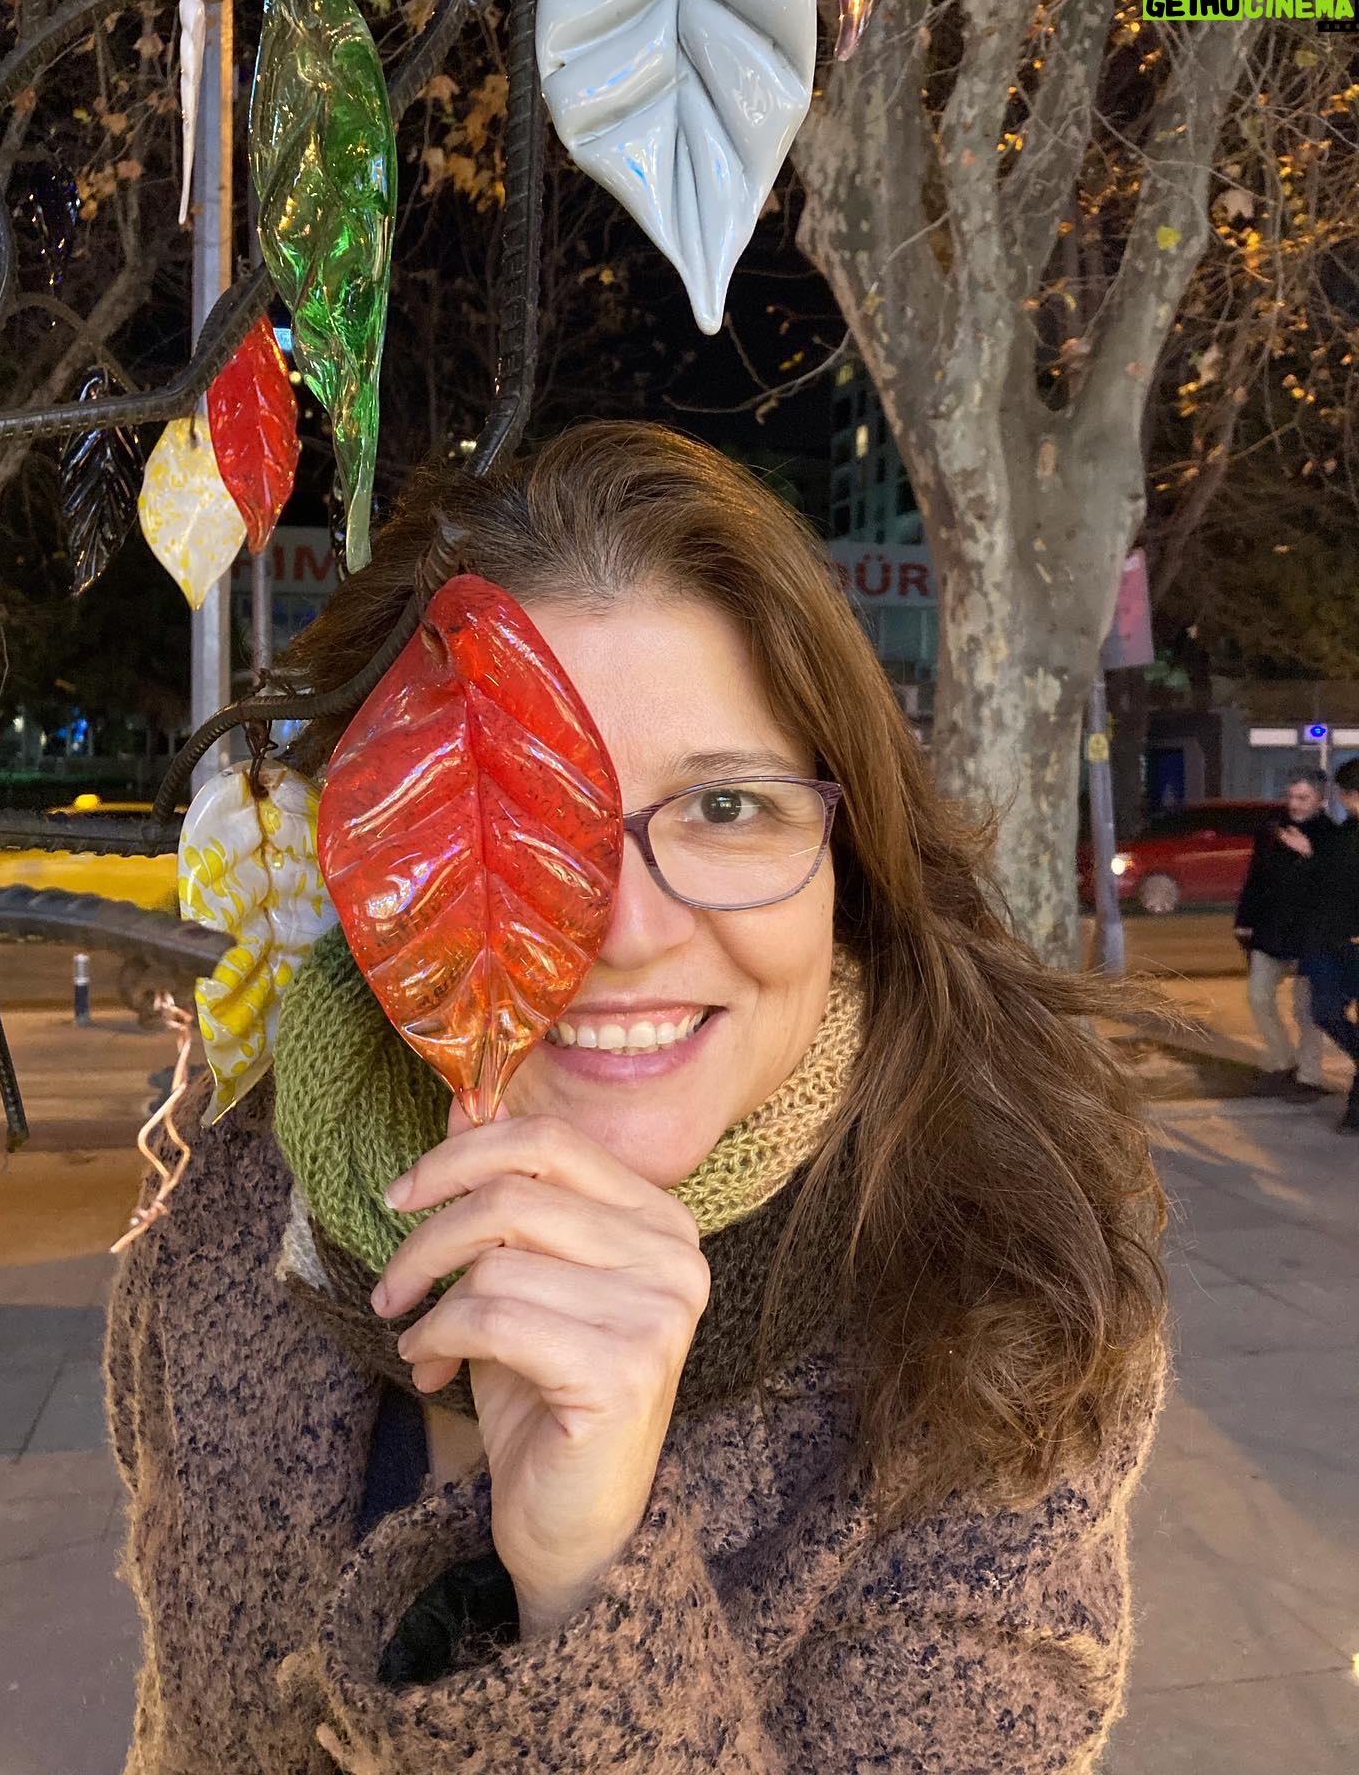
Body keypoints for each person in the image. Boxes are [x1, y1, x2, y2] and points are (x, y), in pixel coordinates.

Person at [105, 423, 1168, 1772]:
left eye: (724, 807)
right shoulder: (243, 1204)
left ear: (849, 854)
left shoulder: (1000, 1316)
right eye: (519, 818)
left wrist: (581, 1580)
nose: (620, 933)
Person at [1234, 770, 1333, 1100]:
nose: (1295, 804)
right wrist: (1244, 920)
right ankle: (1282, 1060)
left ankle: (1309, 1075)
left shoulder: (1331, 836)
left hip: (1310, 938)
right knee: (1258, 997)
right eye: (1291, 796)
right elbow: (1255, 878)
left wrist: (1309, 853)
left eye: (1303, 798)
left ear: (1320, 799)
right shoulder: (1272, 830)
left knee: (1306, 1011)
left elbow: (1334, 889)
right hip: (1270, 931)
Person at [1283, 758, 1359, 1133]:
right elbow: (1326, 884)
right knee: (1324, 1011)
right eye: (1348, 795)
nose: (1349, 801)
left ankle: (1355, 1112)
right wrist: (1309, 856)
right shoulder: (1343, 834)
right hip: (1331, 942)